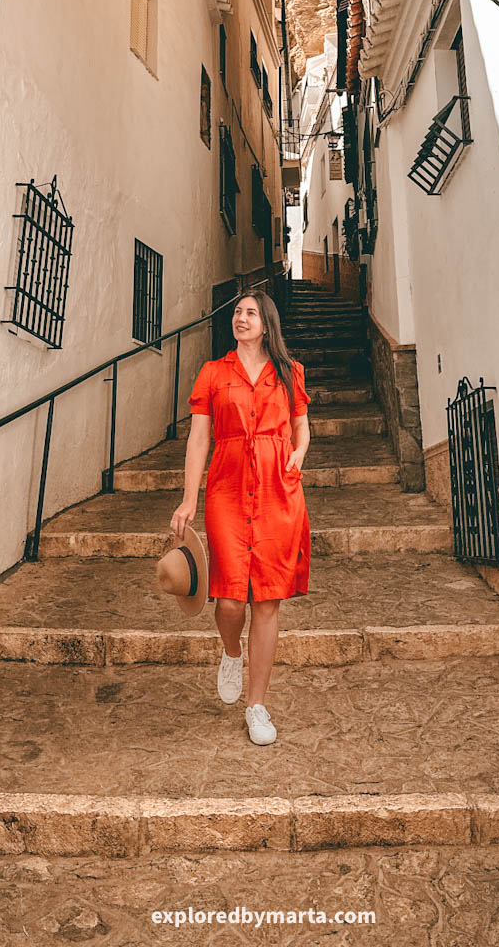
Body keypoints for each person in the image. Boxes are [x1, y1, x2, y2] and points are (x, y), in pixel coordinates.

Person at [169, 290, 311, 745]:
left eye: (250, 312)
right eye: (236, 313)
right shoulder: (213, 372)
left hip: (277, 491)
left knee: (267, 601)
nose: (241, 318)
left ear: (267, 323)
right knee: (229, 600)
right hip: (227, 488)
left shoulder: (289, 373)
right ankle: (232, 652)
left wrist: (298, 455)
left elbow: (301, 424)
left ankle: (257, 706)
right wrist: (189, 498)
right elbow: (198, 440)